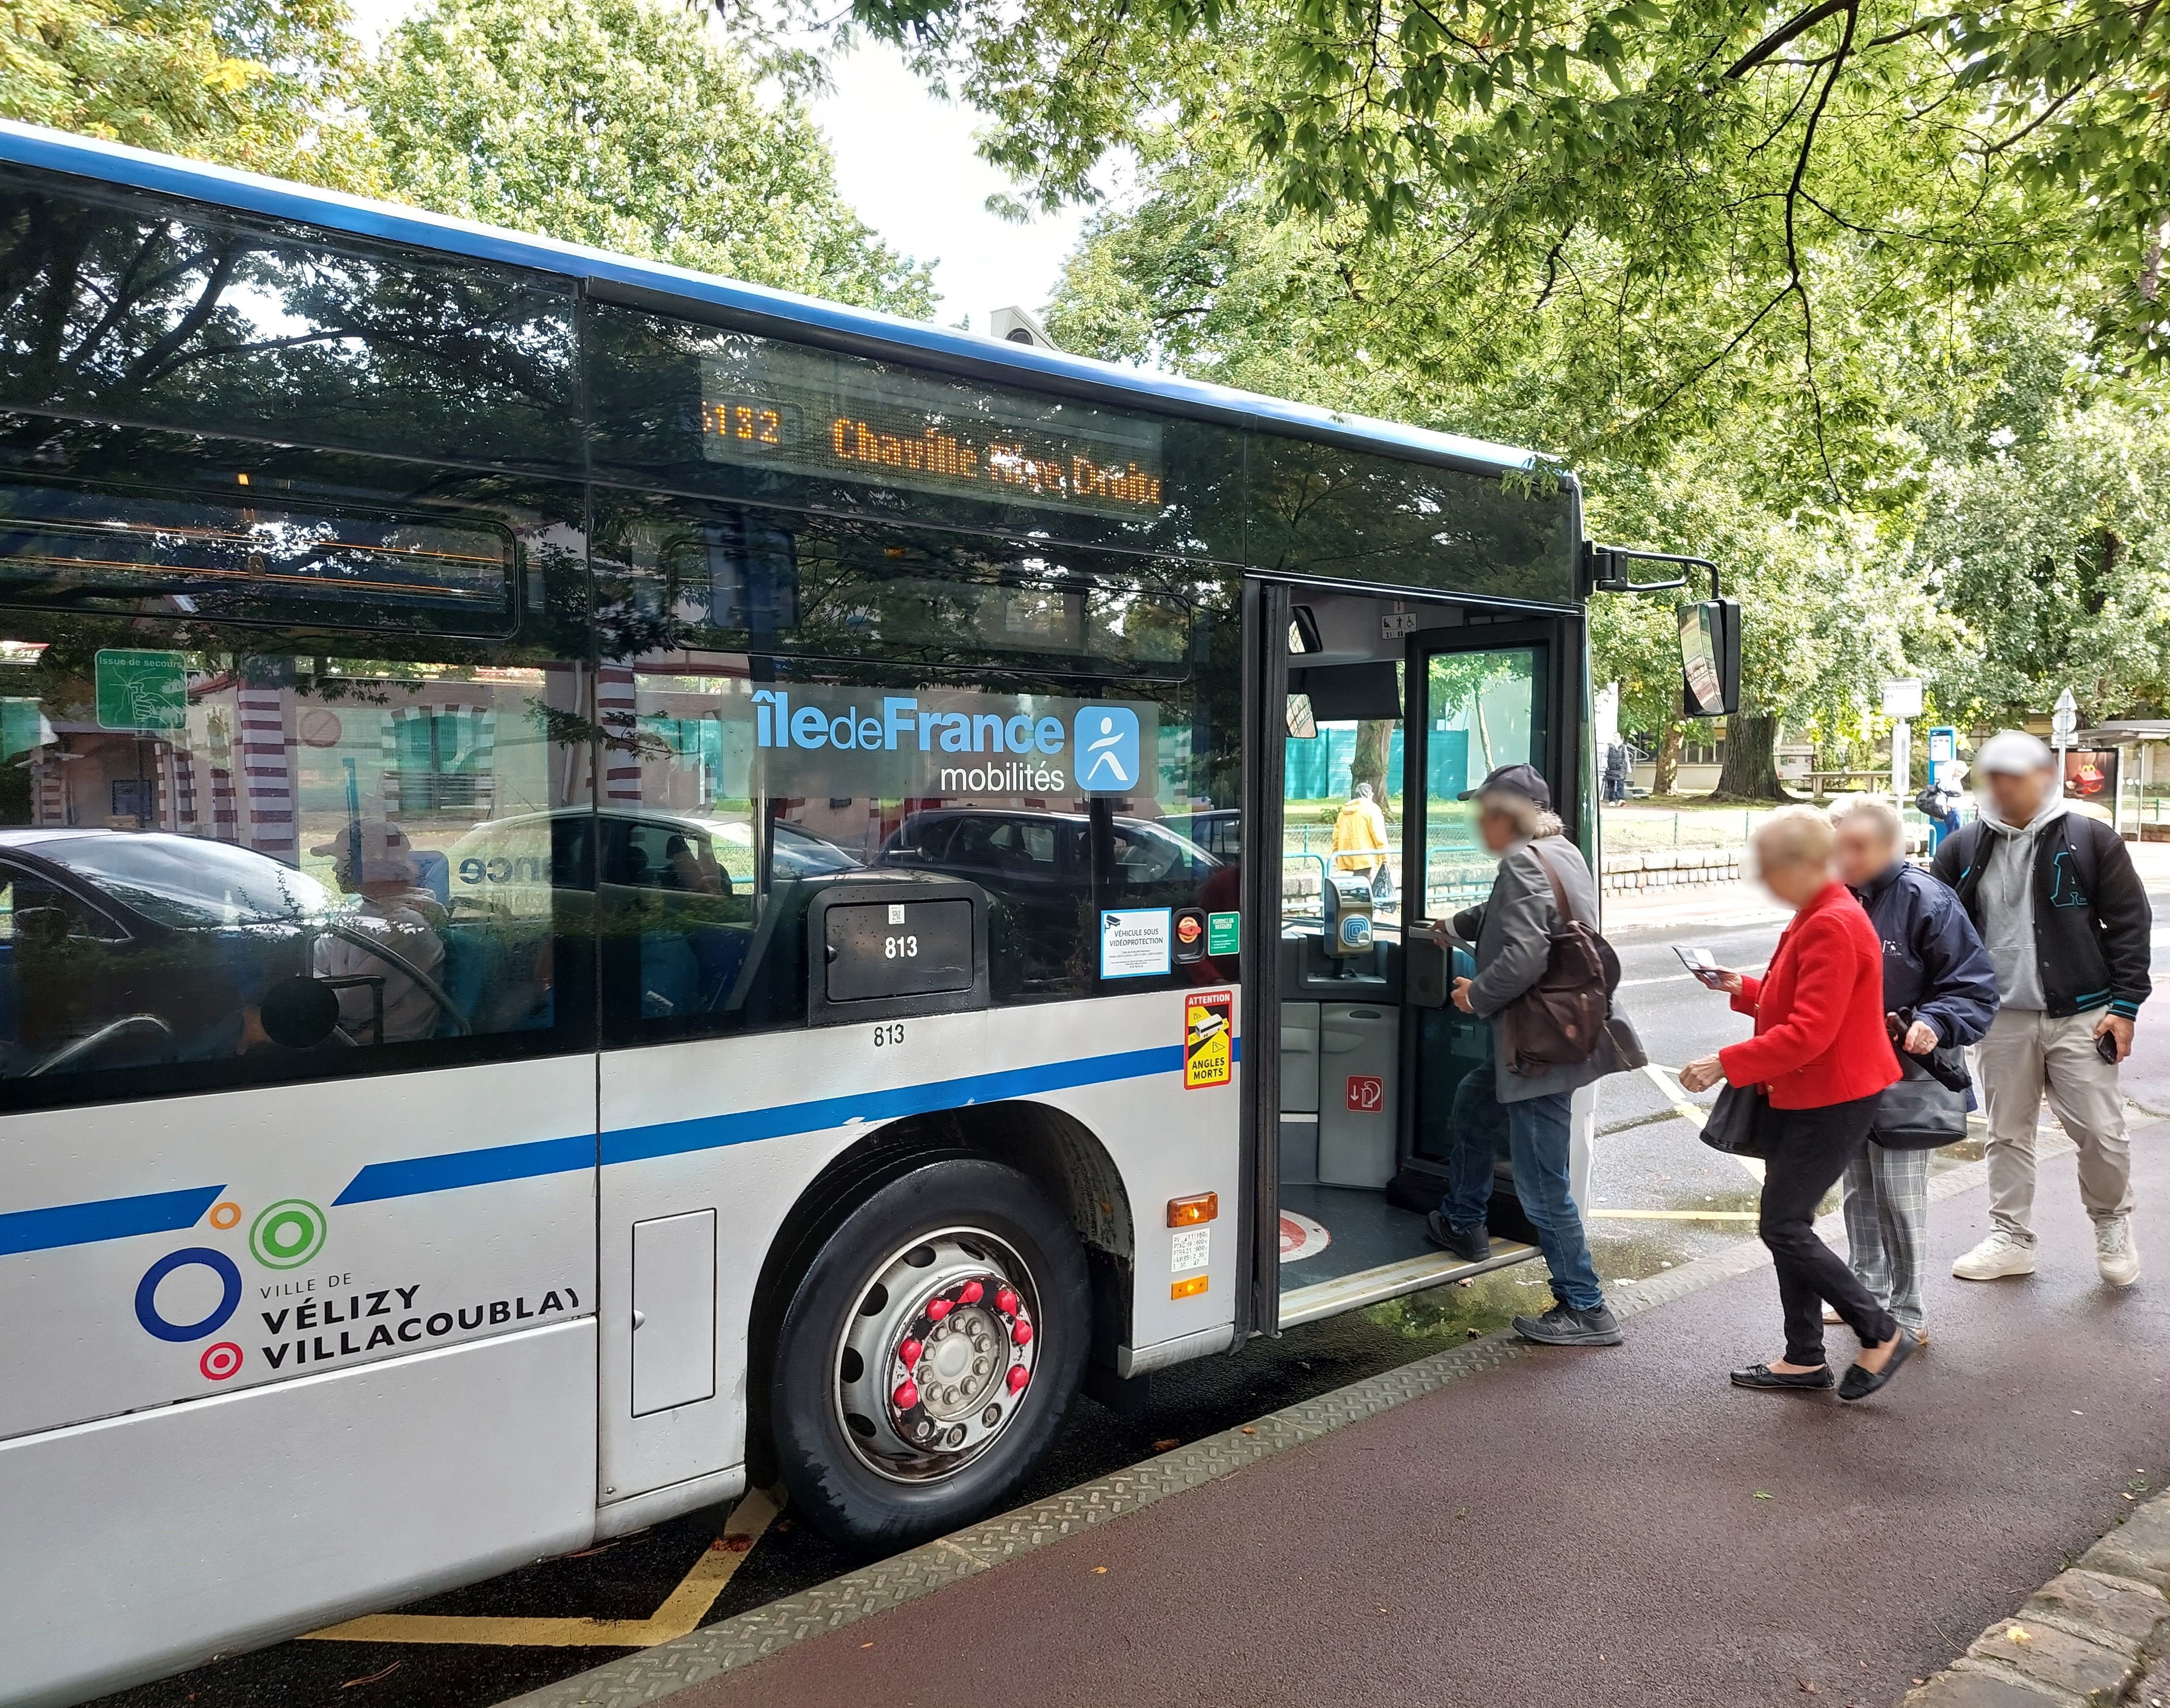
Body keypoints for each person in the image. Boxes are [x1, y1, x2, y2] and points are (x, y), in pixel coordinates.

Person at [1680, 807, 1915, 1400]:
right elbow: (1798, 1003)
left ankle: (1879, 1330)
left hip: (1830, 1096)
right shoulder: (1819, 912)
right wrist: (1745, 989)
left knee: (1783, 1226)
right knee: (1789, 1224)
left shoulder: (1831, 922)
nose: (1765, 881)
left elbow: (1811, 1031)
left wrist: (1722, 1063)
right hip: (1812, 1091)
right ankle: (1804, 1357)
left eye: (1770, 869)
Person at [1932, 730, 2150, 1288]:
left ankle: (2111, 1224)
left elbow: (2129, 924)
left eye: (2016, 776)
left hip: (2082, 1010)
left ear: (2042, 778)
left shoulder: (2089, 839)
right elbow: (1938, 933)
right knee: (2006, 1132)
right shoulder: (1961, 848)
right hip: (2001, 1015)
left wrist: (2124, 1007)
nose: (2004, 787)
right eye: (1995, 777)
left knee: (2101, 1132)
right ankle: (2011, 1237)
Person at [1424, 762, 1627, 1347]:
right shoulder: (1561, 851)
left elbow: (1524, 956)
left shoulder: (1519, 862)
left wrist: (1474, 995)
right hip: (1560, 1034)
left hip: (1538, 1047)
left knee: (1542, 1182)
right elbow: (1525, 914)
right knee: (1473, 1100)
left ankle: (1586, 1305)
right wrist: (1454, 923)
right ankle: (1463, 1220)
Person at [1828, 796, 1999, 1345]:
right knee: (1858, 1189)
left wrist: (1934, 1021)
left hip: (1909, 1074)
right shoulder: (1838, 896)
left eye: (1851, 845)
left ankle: (1906, 1314)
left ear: (1886, 846)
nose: (1838, 855)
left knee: (1899, 1196)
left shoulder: (1927, 900)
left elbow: (1973, 988)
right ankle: (1868, 1295)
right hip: (1850, 1072)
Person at [310, 820, 447, 1045]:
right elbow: (311, 962)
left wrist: (313, 987)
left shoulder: (407, 928)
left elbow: (352, 1006)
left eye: (343, 861)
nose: (335, 869)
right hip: (344, 1033)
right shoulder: (359, 909)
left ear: (372, 866)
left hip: (383, 1049)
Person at [1331, 780, 1392, 894]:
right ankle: (1366, 907)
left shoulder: (1344, 812)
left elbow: (1336, 835)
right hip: (1365, 854)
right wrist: (1385, 855)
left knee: (1361, 878)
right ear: (1370, 795)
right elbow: (1378, 834)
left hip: (1347, 853)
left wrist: (1336, 853)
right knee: (1364, 880)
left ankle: (1365, 906)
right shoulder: (1372, 809)